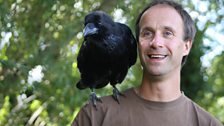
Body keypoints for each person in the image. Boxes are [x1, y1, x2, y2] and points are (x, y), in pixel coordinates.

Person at [72, 0, 223, 126]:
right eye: (147, 33)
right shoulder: (94, 115)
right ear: (137, 43)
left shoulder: (208, 124)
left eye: (167, 33)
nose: (156, 43)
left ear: (186, 46)